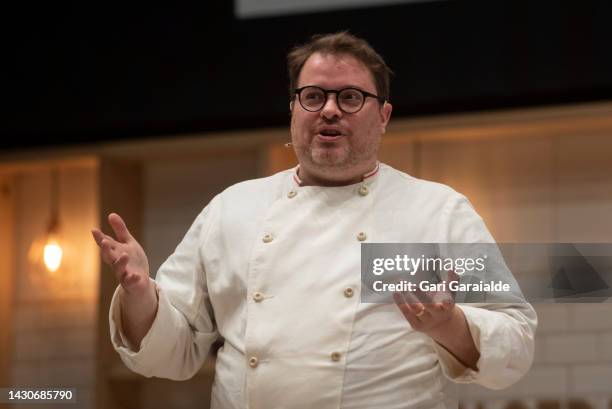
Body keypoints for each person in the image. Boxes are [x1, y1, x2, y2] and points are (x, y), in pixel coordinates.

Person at [92, 32, 536, 409]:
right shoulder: (233, 208)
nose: (329, 110)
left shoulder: (439, 212)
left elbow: (516, 340)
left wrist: (451, 328)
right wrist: (139, 296)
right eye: (313, 96)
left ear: (383, 117)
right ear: (293, 110)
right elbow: (173, 351)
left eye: (350, 97)